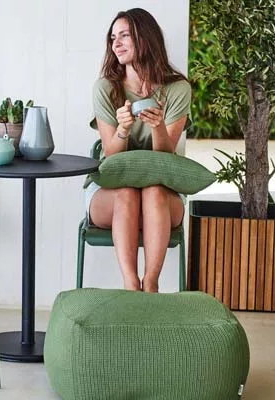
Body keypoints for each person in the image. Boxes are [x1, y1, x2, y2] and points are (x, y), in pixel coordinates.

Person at [85, 8, 192, 293]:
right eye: (112, 38)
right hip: (112, 193)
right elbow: (111, 157)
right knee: (128, 192)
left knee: (154, 190)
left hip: (162, 194)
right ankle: (131, 284)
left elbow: (166, 162)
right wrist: (122, 130)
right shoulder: (106, 88)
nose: (115, 44)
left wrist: (157, 127)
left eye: (124, 36)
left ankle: (151, 284)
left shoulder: (177, 89)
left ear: (144, 38)